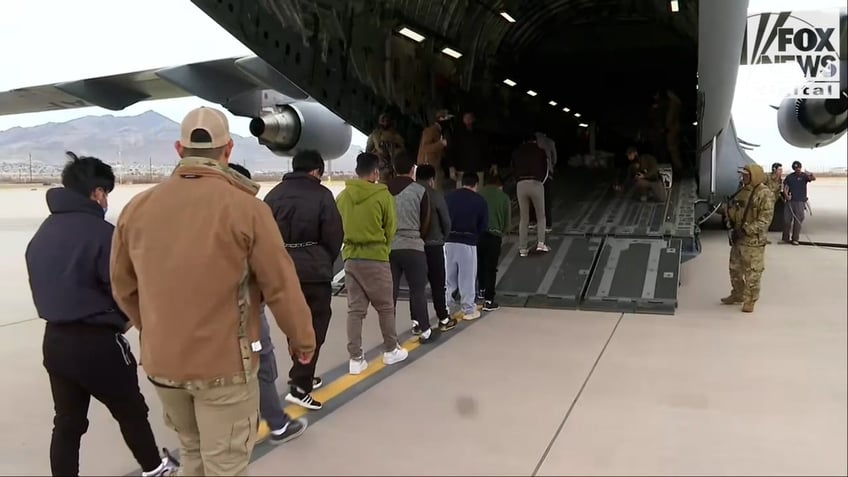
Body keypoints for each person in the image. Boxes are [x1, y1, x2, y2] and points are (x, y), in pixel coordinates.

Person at [110, 106, 316, 476]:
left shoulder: (137, 208)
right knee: (226, 465)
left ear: (178, 149)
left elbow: (123, 288)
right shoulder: (246, 209)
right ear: (228, 150)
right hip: (225, 369)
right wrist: (302, 340)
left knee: (192, 453)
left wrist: (156, 329)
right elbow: (281, 286)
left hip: (165, 366)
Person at [25, 152, 178, 477]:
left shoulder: (43, 234)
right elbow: (124, 288)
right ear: (97, 193)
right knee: (131, 410)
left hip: (54, 341)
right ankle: (155, 468)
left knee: (67, 422)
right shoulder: (102, 234)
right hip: (98, 343)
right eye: (106, 192)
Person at [228, 163, 309, 444]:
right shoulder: (250, 216)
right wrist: (302, 338)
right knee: (261, 363)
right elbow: (277, 282)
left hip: (202, 316)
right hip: (245, 308)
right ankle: (276, 423)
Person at [263, 150, 343, 410]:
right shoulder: (322, 195)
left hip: (281, 269)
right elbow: (334, 236)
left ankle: (302, 371)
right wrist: (323, 259)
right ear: (316, 171)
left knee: (292, 324)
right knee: (315, 326)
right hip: (313, 270)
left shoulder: (273, 195)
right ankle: (300, 385)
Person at [336, 152, 409, 375]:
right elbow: (391, 227)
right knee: (385, 307)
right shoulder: (382, 195)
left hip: (350, 257)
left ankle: (356, 358)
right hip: (375, 256)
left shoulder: (343, 196)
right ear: (375, 172)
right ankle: (390, 349)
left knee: (355, 310)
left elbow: (337, 225)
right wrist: (383, 248)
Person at [385, 152, 443, 342]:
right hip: (413, 245)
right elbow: (426, 221)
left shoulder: (383, 190)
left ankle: (390, 336)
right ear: (412, 170)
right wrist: (418, 236)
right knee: (417, 290)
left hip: (389, 247)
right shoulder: (420, 191)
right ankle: (425, 330)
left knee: (390, 293)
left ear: (394, 169)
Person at [721, 164, 774, 313]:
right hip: (739, 239)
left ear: (754, 176)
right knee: (735, 269)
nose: (743, 177)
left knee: (752, 273)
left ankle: (750, 300)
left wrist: (746, 230)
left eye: (746, 175)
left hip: (753, 242)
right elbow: (738, 212)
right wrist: (728, 214)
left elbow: (765, 220)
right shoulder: (742, 191)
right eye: (742, 174)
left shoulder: (765, 194)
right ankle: (737, 294)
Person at [415, 164, 457, 331]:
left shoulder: (409, 195)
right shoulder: (435, 195)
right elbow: (446, 221)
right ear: (432, 179)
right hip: (434, 245)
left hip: (415, 246)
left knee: (416, 285)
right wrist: (442, 238)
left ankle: (417, 322)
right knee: (438, 284)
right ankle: (443, 318)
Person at [444, 172, 489, 320]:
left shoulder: (448, 197)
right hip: (468, 243)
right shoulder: (480, 201)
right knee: (467, 278)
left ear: (461, 182)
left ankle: (445, 306)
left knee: (448, 278)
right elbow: (483, 226)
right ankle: (468, 309)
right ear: (476, 185)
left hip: (448, 241)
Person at [512, 134, 551, 257]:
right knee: (541, 216)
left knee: (524, 218)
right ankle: (540, 243)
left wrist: (518, 181)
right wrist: (540, 182)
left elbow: (512, 168)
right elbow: (546, 170)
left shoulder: (516, 152)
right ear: (535, 141)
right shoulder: (541, 151)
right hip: (536, 183)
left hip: (521, 184)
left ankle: (523, 248)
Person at [477, 173, 511, 311]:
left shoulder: (479, 194)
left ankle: (481, 290)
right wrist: (503, 231)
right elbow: (507, 222)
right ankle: (489, 300)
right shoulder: (503, 197)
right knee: (491, 268)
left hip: (478, 234)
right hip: (494, 235)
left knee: (480, 263)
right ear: (500, 186)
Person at [448, 111, 489, 188]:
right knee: (461, 194)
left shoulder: (480, 134)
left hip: (478, 169)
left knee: (477, 193)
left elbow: (486, 150)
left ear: (474, 119)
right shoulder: (457, 134)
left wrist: (491, 164)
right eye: (466, 118)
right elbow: (451, 151)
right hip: (462, 170)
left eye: (470, 118)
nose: (468, 121)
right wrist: (451, 167)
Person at [417, 109, 452, 190]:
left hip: (435, 165)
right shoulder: (430, 130)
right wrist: (441, 144)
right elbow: (425, 148)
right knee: (434, 191)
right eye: (446, 118)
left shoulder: (440, 131)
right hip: (429, 165)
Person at [782, 160, 816, 245]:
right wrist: (786, 195)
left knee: (798, 220)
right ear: (793, 168)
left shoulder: (804, 176)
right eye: (795, 168)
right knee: (787, 220)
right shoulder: (789, 177)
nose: (797, 169)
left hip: (800, 202)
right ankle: (785, 238)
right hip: (790, 202)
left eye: (798, 167)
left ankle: (795, 239)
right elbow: (786, 187)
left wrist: (811, 174)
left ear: (801, 167)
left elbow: (812, 179)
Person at [529, 130, 557, 233]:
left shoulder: (533, 143)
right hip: (547, 173)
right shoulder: (550, 142)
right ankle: (548, 225)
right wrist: (551, 166)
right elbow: (554, 158)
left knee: (532, 197)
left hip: (534, 173)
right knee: (546, 198)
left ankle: (533, 221)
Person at [366, 112, 405, 184]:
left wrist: (394, 151)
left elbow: (402, 151)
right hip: (380, 166)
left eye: (387, 120)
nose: (385, 122)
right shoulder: (375, 135)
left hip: (393, 166)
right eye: (383, 120)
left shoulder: (396, 136)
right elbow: (368, 151)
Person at [765, 162, 785, 233]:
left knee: (768, 220)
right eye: (779, 170)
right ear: (774, 169)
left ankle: (763, 237)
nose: (781, 171)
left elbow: (778, 191)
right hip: (764, 202)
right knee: (763, 220)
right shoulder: (766, 177)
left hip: (772, 202)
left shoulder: (780, 180)